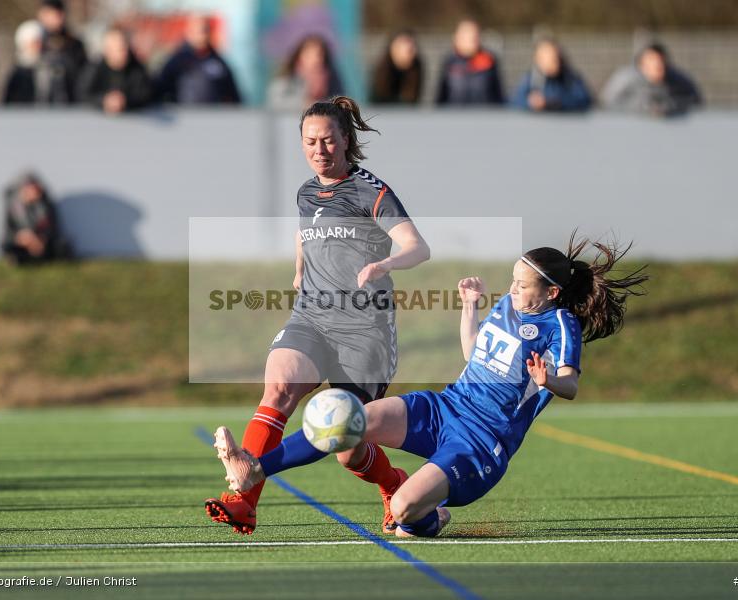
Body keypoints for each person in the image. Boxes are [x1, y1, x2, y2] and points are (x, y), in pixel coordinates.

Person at [212, 236, 648, 537]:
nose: (512, 288)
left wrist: (547, 379)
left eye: (522, 284)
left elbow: (569, 385)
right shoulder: (507, 303)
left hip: (482, 442)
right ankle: (256, 469)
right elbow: (472, 352)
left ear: (551, 293)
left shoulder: (560, 325)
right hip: (447, 406)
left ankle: (429, 519)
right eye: (513, 280)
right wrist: (470, 308)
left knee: (403, 513)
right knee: (348, 419)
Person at [204, 96, 431, 535]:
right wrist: (298, 266)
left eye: (328, 141)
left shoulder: (371, 191)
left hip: (364, 331)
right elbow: (307, 229)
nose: (319, 150)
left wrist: (385, 265)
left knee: (348, 446)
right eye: (310, 142)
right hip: (313, 315)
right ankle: (243, 499)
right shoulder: (307, 190)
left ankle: (393, 484)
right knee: (280, 386)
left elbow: (418, 247)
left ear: (346, 140)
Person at [155, 15, 241, 104]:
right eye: (199, 30)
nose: (203, 34)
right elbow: (160, 88)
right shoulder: (177, 61)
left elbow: (233, 93)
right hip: (185, 115)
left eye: (206, 30)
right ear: (189, 31)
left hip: (214, 115)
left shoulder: (219, 61)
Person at [601, 42, 702, 117]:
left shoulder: (679, 81)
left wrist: (670, 108)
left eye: (661, 61)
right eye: (652, 61)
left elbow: (696, 102)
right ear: (641, 63)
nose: (657, 65)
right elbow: (607, 103)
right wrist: (642, 108)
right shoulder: (625, 79)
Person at [1, 172, 72, 265]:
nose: (35, 192)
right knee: (6, 247)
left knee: (61, 246)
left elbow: (53, 229)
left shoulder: (46, 205)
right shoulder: (13, 206)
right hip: (23, 243)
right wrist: (22, 238)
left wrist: (40, 239)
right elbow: (8, 231)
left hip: (42, 242)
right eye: (32, 189)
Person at [78, 28, 152, 114]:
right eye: (119, 48)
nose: (124, 52)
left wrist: (125, 101)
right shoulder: (94, 68)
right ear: (107, 50)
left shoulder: (137, 69)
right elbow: (82, 93)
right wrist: (104, 100)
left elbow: (146, 94)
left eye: (125, 47)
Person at [435, 19, 504, 106]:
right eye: (466, 35)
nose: (472, 38)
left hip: (484, 116)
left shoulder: (489, 60)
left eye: (474, 35)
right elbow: (441, 97)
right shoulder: (449, 62)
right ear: (456, 37)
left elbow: (498, 94)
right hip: (454, 116)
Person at [512, 38, 592, 113]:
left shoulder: (570, 79)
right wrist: (530, 103)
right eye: (547, 57)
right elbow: (515, 102)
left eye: (554, 57)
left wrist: (555, 103)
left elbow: (584, 100)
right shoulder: (530, 79)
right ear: (538, 59)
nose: (553, 61)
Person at [267, 35, 344, 110]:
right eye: (310, 56)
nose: (317, 60)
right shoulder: (284, 83)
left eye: (320, 56)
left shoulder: (332, 83)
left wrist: (322, 99)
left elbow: (341, 106)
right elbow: (275, 105)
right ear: (298, 60)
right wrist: (307, 100)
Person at [36, 0, 86, 104]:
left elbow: (83, 76)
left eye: (57, 14)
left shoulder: (74, 45)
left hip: (70, 105)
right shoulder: (35, 42)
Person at [370, 29, 424, 105]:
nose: (409, 48)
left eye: (412, 46)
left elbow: (412, 102)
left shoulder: (416, 68)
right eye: (403, 44)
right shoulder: (380, 70)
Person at [2, 20, 45, 104]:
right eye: (34, 43)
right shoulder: (18, 73)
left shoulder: (51, 69)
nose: (38, 47)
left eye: (40, 42)